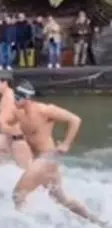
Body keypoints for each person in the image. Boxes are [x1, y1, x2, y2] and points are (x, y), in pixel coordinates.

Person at [9, 81, 106, 226]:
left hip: (48, 158)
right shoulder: (18, 113)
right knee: (62, 199)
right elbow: (6, 123)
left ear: (27, 98)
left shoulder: (45, 110)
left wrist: (66, 143)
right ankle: (98, 222)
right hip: (42, 161)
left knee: (18, 195)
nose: (14, 100)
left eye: (18, 98)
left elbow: (75, 120)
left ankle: (24, 223)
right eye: (13, 97)